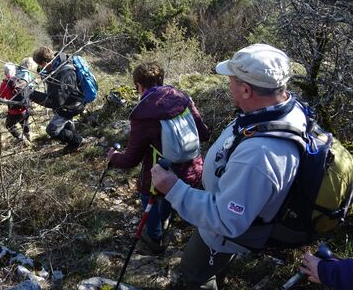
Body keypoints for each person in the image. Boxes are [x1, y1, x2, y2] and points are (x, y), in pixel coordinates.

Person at [151, 44, 307, 289]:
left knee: (193, 276)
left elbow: (227, 221)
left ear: (246, 90)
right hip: (233, 214)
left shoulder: (260, 156)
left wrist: (172, 188)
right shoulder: (280, 111)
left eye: (231, 80)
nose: (228, 85)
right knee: (216, 270)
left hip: (220, 237)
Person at [107, 62, 210, 254]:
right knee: (171, 195)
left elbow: (130, 160)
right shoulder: (183, 99)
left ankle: (154, 237)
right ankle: (166, 217)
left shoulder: (143, 114)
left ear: (138, 85)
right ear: (161, 79)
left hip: (159, 177)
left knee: (148, 196)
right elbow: (204, 134)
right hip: (193, 170)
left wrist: (113, 157)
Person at [30, 47, 86, 152]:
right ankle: (72, 142)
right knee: (67, 122)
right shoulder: (59, 63)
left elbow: (56, 102)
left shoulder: (63, 74)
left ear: (44, 62)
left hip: (72, 105)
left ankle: (77, 141)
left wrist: (32, 95)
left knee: (51, 130)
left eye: (40, 65)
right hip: (71, 101)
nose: (40, 67)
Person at [0, 62, 31, 144]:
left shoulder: (5, 84)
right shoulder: (21, 80)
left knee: (9, 125)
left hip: (14, 112)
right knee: (24, 123)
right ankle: (29, 136)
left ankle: (23, 139)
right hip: (26, 109)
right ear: (15, 71)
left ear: (5, 72)